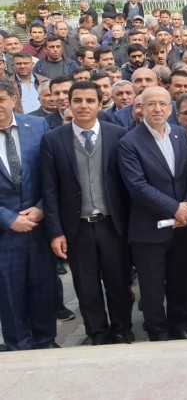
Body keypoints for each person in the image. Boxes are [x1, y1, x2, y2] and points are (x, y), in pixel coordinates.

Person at [41, 81, 132, 345]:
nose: (83, 106)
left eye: (89, 100)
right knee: (86, 286)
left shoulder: (118, 134)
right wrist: (56, 231)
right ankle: (97, 333)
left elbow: (127, 184)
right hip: (77, 227)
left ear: (100, 103)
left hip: (112, 225)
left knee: (118, 283)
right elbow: (50, 190)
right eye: (77, 100)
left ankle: (121, 329)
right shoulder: (53, 140)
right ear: (68, 104)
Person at [117, 86, 187, 340]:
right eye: (150, 104)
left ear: (170, 108)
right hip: (149, 228)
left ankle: (179, 326)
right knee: (152, 287)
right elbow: (137, 186)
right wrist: (175, 208)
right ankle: (156, 330)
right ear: (140, 108)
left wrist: (185, 207)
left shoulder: (179, 134)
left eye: (162, 104)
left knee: (180, 281)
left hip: (181, 225)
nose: (156, 109)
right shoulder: (129, 142)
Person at [0, 79, 59, 350]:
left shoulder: (36, 126)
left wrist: (41, 208)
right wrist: (8, 218)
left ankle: (46, 342)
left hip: (38, 228)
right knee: (9, 296)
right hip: (4, 235)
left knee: (43, 290)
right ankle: (18, 348)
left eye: (1, 99)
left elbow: (53, 173)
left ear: (13, 99)